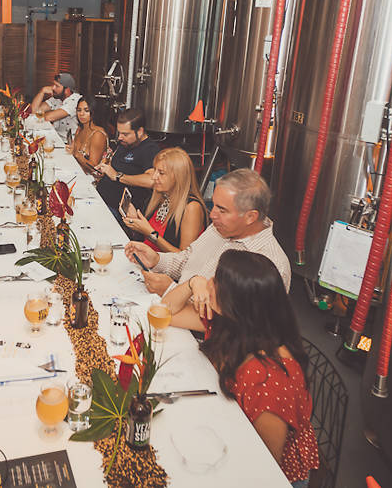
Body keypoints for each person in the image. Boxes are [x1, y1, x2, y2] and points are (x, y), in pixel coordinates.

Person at [195, 250, 319, 487]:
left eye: (217, 281)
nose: (209, 282)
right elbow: (169, 312)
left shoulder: (269, 380)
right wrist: (193, 283)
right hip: (232, 429)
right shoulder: (234, 328)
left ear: (238, 304)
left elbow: (264, 467)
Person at [124, 168, 290, 299]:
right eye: (214, 205)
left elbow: (232, 321)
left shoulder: (270, 264)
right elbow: (187, 260)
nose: (212, 215)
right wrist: (156, 260)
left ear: (250, 217)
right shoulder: (220, 227)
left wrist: (170, 290)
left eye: (222, 210)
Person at [122, 147, 206, 252]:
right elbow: (145, 240)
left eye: (161, 173)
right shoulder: (159, 197)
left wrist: (150, 233)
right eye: (155, 170)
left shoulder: (192, 208)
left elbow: (185, 257)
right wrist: (136, 223)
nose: (154, 177)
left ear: (178, 177)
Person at [95, 108, 158, 223]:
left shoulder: (149, 150)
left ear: (140, 131)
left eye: (125, 134)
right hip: (101, 198)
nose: (120, 137)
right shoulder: (126, 143)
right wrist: (104, 169)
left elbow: (152, 180)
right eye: (119, 133)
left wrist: (118, 176)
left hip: (116, 210)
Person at [30, 73, 81, 139]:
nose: (53, 88)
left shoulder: (76, 101)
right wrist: (42, 91)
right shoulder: (57, 98)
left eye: (57, 86)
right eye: (53, 84)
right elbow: (34, 110)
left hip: (67, 142)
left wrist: (40, 114)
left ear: (67, 90)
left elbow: (49, 117)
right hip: (55, 137)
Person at [68, 96, 109, 174]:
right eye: (79, 110)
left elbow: (94, 168)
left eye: (86, 110)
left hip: (90, 178)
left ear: (94, 112)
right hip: (76, 171)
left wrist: (78, 156)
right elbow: (73, 151)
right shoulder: (80, 129)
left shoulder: (98, 134)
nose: (81, 114)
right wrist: (71, 150)